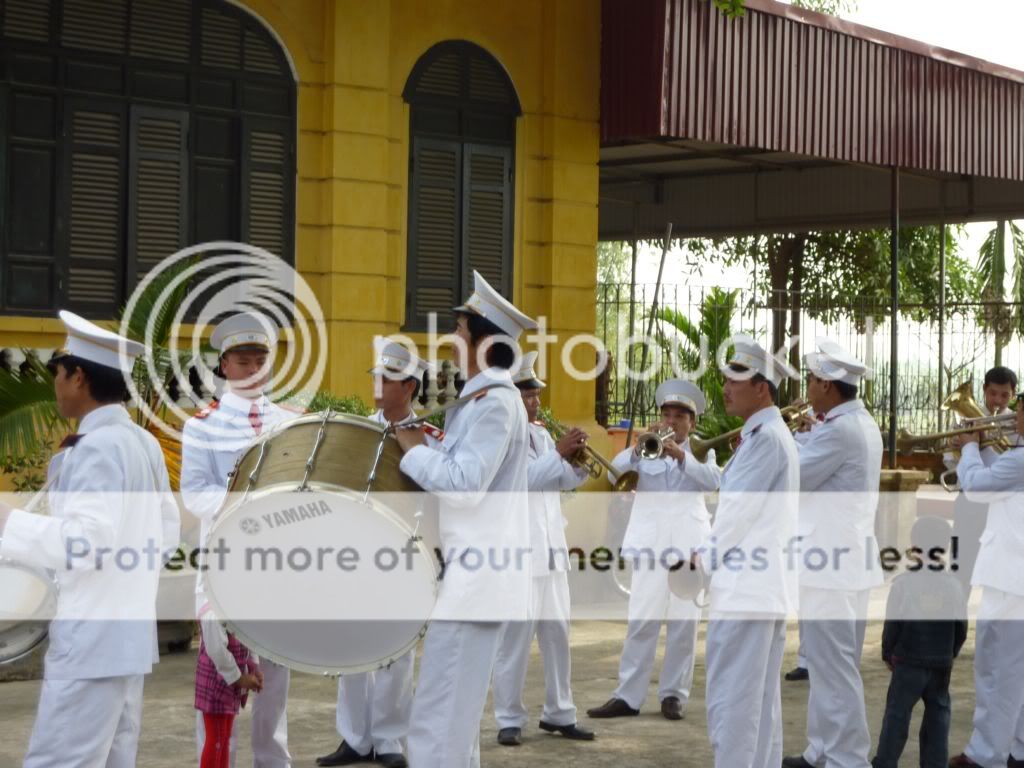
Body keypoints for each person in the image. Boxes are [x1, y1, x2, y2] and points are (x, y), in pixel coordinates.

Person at [0, 310, 180, 767]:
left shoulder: (100, 447)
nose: (54, 383)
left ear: (78, 376)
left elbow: (87, 542)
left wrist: (9, 524)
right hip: (125, 641)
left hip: (91, 643)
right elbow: (165, 531)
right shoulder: (141, 442)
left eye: (58, 372)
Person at [394, 270, 535, 768]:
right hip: (470, 579)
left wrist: (409, 447)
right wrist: (424, 440)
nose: (451, 340)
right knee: (452, 727)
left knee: (437, 727)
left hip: (478, 583)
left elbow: (465, 484)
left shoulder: (495, 402)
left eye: (458, 330)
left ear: (480, 340)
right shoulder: (480, 400)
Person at [180, 312, 298, 768]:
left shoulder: (289, 421)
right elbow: (195, 494)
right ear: (224, 364)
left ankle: (273, 760)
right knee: (219, 673)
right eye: (244, 360)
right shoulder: (202, 425)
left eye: (261, 360)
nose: (254, 369)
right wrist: (245, 504)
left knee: (275, 674)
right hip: (226, 562)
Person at [317, 340, 438, 768]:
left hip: (403, 556)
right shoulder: (359, 432)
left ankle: (388, 740)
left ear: (409, 387)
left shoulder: (431, 438)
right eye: (378, 377)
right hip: (356, 552)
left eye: (388, 379)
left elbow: (438, 496)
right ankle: (354, 738)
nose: (379, 385)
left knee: (394, 650)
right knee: (350, 645)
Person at [587, 379, 721, 722]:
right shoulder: (647, 448)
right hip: (650, 546)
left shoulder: (702, 451)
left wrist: (682, 458)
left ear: (692, 422)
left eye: (680, 416)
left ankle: (674, 695)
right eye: (667, 414)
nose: (672, 421)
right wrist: (635, 448)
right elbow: (615, 472)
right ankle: (628, 696)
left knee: (683, 624)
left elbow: (713, 481)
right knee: (641, 620)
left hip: (689, 548)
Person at [694, 335, 799, 768]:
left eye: (736, 378)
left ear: (762, 388)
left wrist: (701, 562)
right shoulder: (765, 434)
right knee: (758, 708)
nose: (726, 387)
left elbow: (736, 515)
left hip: (746, 590)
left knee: (733, 707)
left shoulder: (765, 439)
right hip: (758, 589)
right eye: (725, 378)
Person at [783, 339, 883, 768]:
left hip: (832, 563)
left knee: (835, 668)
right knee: (827, 665)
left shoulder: (840, 429)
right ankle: (822, 749)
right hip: (842, 562)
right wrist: (803, 437)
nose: (807, 386)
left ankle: (847, 758)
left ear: (826, 385)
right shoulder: (852, 423)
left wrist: (776, 441)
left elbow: (794, 478)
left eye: (811, 379)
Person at [492, 351, 594, 746]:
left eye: (535, 394)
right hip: (520, 552)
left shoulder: (541, 435)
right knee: (514, 640)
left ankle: (559, 712)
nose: (536, 401)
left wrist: (579, 462)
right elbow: (524, 479)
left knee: (558, 635)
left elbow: (560, 481)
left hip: (551, 549)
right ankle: (508, 717)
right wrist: (558, 454)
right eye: (528, 394)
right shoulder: (503, 437)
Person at [948, 390, 1024, 768]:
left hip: (1011, 574)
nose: (1015, 418)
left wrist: (968, 449)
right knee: (1014, 668)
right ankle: (1017, 748)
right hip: (1012, 572)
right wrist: (975, 448)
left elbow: (979, 488)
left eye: (1021, 411)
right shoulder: (1018, 457)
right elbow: (1001, 478)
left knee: (997, 668)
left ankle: (986, 755)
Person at [871, 516, 967, 768]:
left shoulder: (903, 584)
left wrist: (887, 652)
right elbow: (961, 626)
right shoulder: (954, 585)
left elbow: (893, 624)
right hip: (941, 661)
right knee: (938, 713)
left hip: (908, 660)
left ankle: (886, 761)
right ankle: (935, 763)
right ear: (945, 548)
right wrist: (952, 651)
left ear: (913, 548)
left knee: (897, 714)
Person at [944, 367, 1021, 597]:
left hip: (1002, 506)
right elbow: (948, 460)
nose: (997, 400)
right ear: (984, 390)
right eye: (993, 393)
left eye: (1004, 395)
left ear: (1013, 395)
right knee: (960, 569)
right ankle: (955, 628)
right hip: (970, 503)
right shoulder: (967, 422)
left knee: (1000, 571)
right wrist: (964, 449)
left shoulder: (1017, 426)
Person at [196, 602, 265, 768]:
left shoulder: (234, 606)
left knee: (224, 737)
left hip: (229, 684)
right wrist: (240, 678)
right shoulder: (212, 613)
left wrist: (254, 667)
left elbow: (247, 638)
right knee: (217, 738)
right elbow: (217, 651)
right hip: (216, 686)